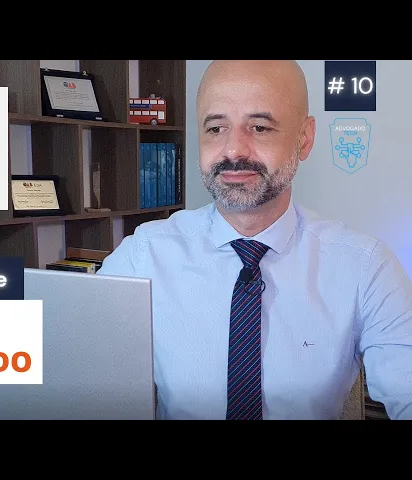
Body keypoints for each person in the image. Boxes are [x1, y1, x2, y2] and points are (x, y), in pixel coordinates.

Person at [97, 60, 412, 420]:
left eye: (259, 127)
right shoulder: (143, 257)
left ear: (304, 138)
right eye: (216, 128)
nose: (233, 150)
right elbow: (78, 372)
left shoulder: (364, 267)